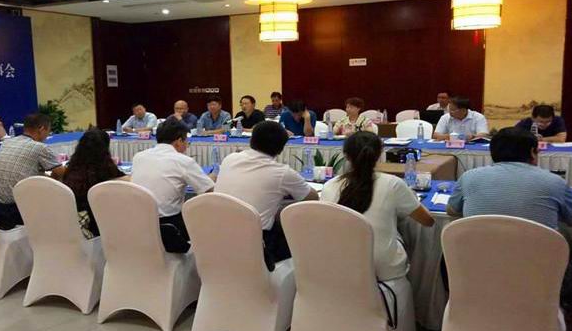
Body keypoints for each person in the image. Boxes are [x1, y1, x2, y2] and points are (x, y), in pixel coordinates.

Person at [447, 127, 572, 316]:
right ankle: (568, 321)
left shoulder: (468, 177)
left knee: (445, 260)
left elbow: (452, 211)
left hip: (477, 270)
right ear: (532, 152)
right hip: (539, 275)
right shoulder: (554, 182)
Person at [322, 131, 435, 281]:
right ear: (380, 155)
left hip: (339, 263)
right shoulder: (393, 184)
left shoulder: (329, 186)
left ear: (346, 156)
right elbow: (428, 221)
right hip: (384, 269)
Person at [216, 121, 319, 269]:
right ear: (281, 149)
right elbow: (312, 198)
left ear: (251, 140)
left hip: (219, 234)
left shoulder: (230, 159)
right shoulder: (282, 173)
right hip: (257, 243)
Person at [131, 119, 215, 252]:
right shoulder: (183, 161)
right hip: (169, 229)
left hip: (136, 226)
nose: (187, 146)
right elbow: (209, 191)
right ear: (179, 141)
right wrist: (213, 176)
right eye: (187, 142)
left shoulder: (138, 157)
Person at [0, 113, 64, 230]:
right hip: (17, 212)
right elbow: (61, 173)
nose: (48, 135)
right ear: (41, 129)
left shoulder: (8, 142)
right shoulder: (39, 147)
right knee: (60, 199)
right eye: (48, 131)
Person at [62, 128, 129, 239]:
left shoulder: (72, 166)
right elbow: (124, 179)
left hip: (70, 220)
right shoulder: (104, 167)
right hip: (93, 222)